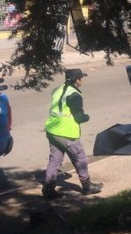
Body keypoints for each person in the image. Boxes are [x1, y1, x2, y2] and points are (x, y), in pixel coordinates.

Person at [42, 68, 103, 197]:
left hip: (52, 131)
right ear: (77, 80)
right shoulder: (74, 95)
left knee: (55, 159)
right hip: (66, 133)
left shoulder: (57, 89)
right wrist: (87, 117)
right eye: (81, 78)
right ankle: (87, 186)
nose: (82, 81)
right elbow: (79, 117)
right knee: (80, 158)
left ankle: (48, 189)